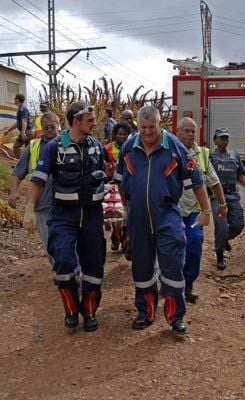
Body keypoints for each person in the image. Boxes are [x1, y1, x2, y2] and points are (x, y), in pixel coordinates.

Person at [114, 105, 211, 337]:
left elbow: (197, 180)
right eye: (144, 127)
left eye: (152, 127)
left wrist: (206, 210)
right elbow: (120, 180)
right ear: (139, 126)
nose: (147, 132)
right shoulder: (129, 146)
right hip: (138, 216)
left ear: (160, 125)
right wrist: (126, 208)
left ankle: (175, 317)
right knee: (142, 266)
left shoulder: (175, 147)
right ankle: (145, 312)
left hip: (167, 214)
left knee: (172, 265)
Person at [26, 102, 106, 332]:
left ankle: (89, 311)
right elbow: (37, 180)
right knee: (62, 261)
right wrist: (29, 208)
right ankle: (71, 309)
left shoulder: (97, 148)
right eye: (89, 120)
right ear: (75, 121)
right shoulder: (54, 148)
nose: (94, 122)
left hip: (91, 216)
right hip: (63, 216)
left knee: (94, 266)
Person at [177, 117, 227, 303]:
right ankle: (168, 282)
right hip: (171, 211)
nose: (190, 134)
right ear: (178, 131)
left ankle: (188, 283)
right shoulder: (168, 152)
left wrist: (222, 204)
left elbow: (214, 182)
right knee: (169, 248)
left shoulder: (203, 155)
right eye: (187, 131)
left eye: (193, 131)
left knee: (194, 245)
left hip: (194, 212)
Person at [9, 112, 60, 268]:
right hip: (41, 204)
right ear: (41, 129)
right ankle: (61, 273)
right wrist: (13, 192)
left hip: (64, 203)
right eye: (46, 128)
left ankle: (71, 273)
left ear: (59, 125)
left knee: (68, 240)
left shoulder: (68, 143)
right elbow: (18, 172)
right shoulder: (33, 147)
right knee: (50, 242)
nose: (50, 130)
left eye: (53, 126)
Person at [210, 128, 245, 270]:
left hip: (232, 195)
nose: (225, 141)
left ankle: (224, 239)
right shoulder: (210, 156)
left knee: (238, 225)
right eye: (222, 138)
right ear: (215, 140)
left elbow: (240, 175)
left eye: (226, 138)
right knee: (221, 225)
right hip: (217, 196)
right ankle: (220, 255)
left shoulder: (234, 156)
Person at [103, 122, 131, 252]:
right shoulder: (107, 149)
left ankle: (125, 240)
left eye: (125, 134)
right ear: (115, 135)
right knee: (116, 215)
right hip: (113, 186)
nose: (122, 136)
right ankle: (116, 237)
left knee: (126, 216)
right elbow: (102, 165)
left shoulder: (133, 148)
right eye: (120, 134)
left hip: (128, 185)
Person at [3, 93, 33, 158]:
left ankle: (21, 164)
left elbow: (24, 121)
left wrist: (23, 132)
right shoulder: (21, 108)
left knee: (16, 147)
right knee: (28, 150)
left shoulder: (22, 109)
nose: (14, 99)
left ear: (18, 100)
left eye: (15, 98)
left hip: (27, 132)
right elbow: (18, 123)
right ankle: (26, 166)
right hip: (27, 132)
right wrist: (8, 130)